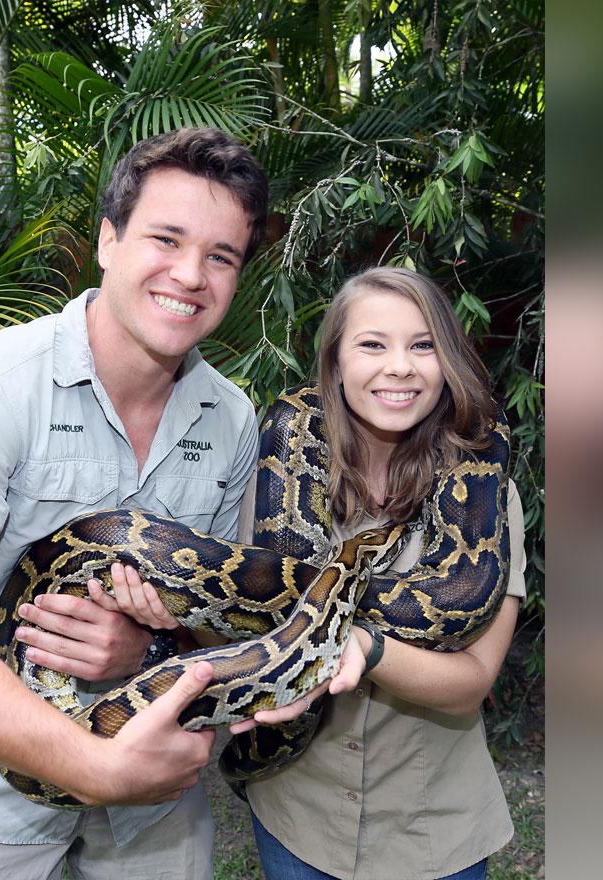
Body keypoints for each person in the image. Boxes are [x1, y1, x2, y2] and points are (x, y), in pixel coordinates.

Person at [110, 266, 529, 880]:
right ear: (334, 363)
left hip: (432, 829)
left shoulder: (492, 496)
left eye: (423, 345)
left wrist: (358, 643)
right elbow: (241, 635)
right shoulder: (273, 473)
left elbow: (471, 682)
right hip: (299, 817)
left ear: (448, 363)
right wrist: (166, 621)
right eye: (371, 344)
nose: (400, 367)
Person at [0, 128, 270, 880]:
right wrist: (94, 765)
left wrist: (148, 647)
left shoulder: (231, 420)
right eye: (167, 238)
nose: (191, 274)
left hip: (155, 809)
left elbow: (221, 629)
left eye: (221, 255)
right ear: (108, 240)